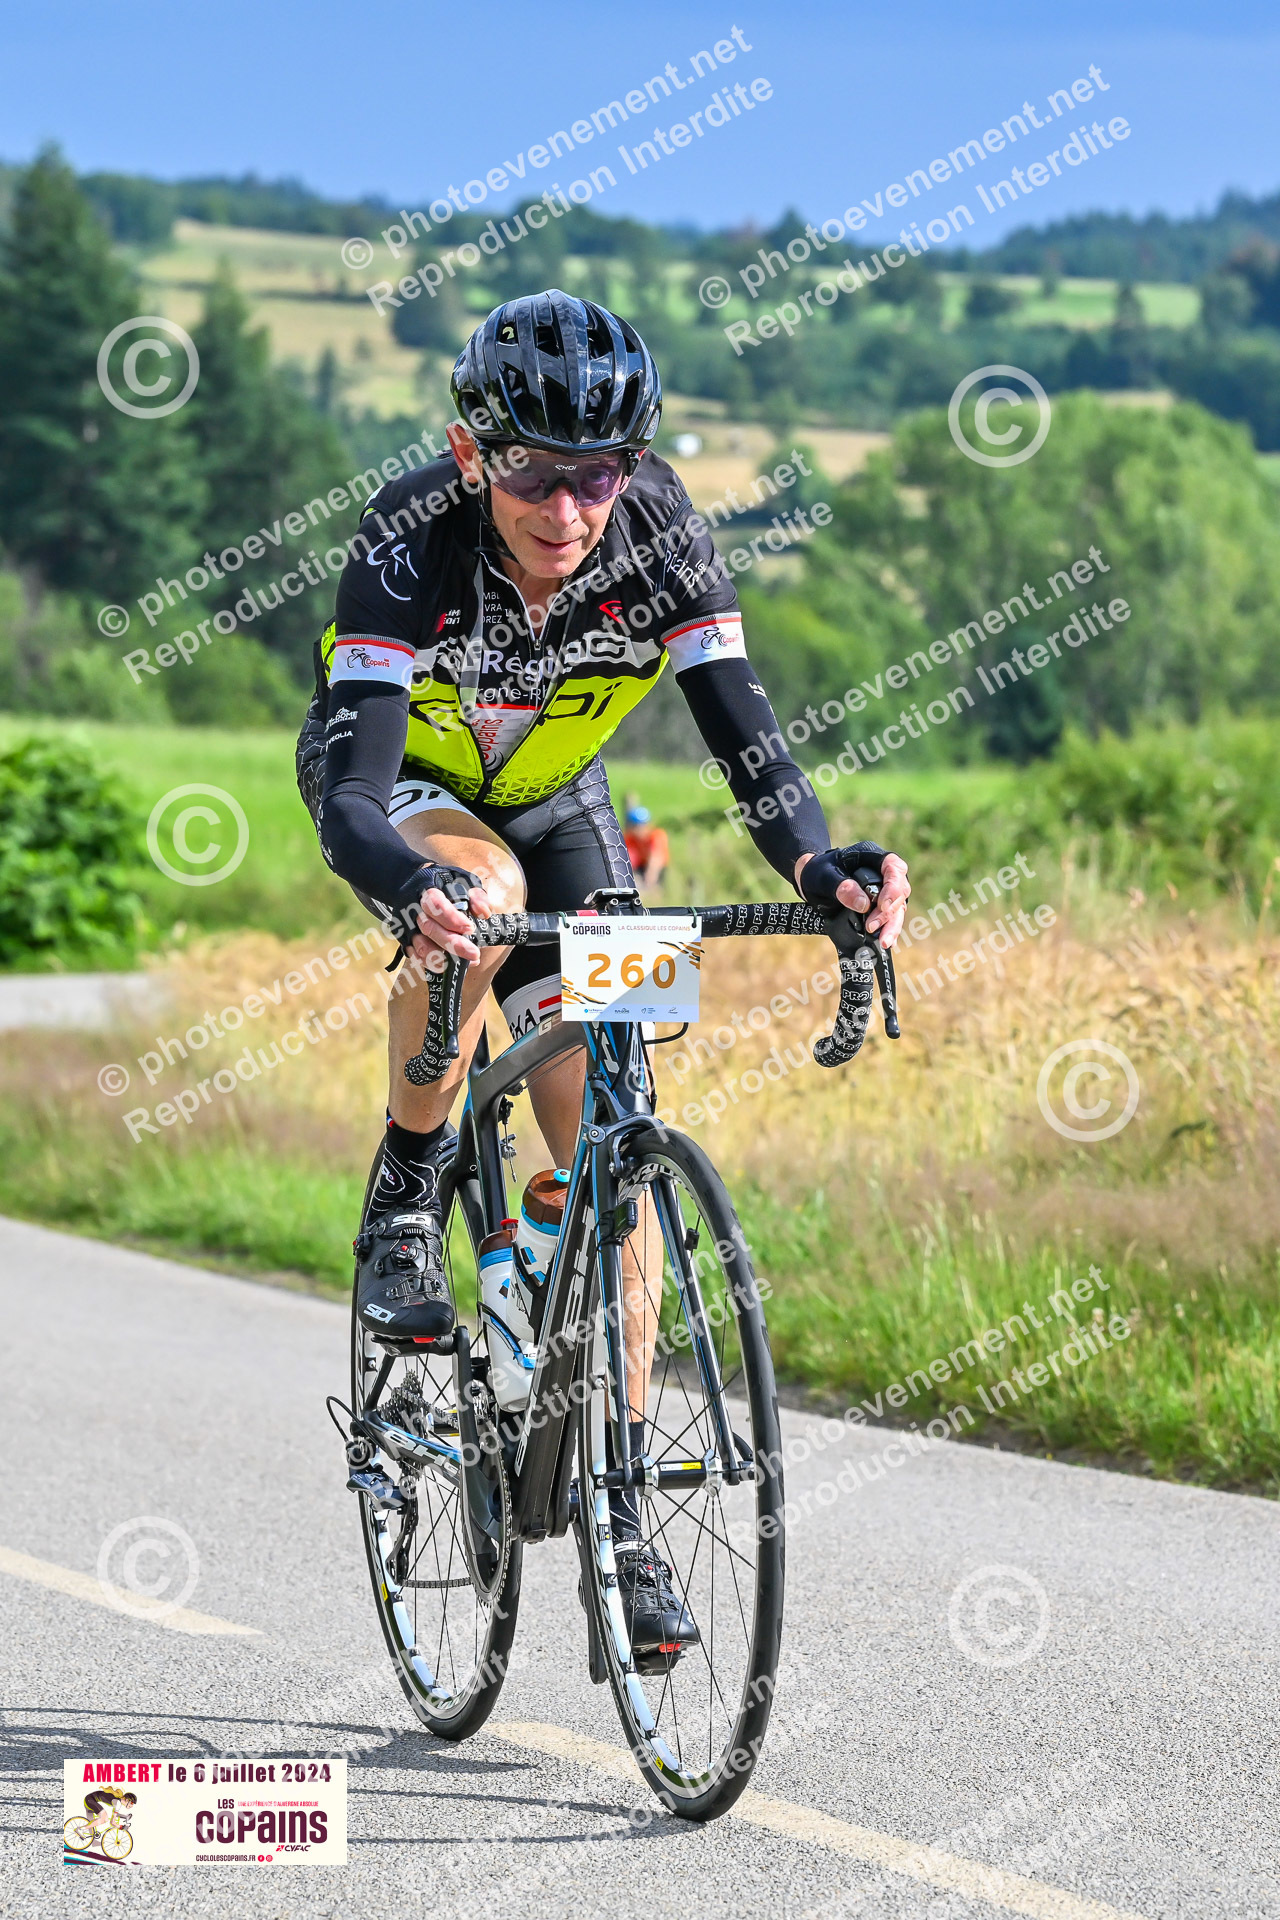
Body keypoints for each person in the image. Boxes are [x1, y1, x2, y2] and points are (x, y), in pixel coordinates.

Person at [296, 289, 909, 1649]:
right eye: (531, 472)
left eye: (597, 474)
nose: (566, 509)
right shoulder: (408, 536)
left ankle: (620, 1518)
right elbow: (351, 796)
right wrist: (415, 887)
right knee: (486, 897)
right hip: (405, 799)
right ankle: (406, 1190)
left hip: (566, 804)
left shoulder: (663, 531)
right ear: (471, 454)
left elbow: (747, 744)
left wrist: (817, 865)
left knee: (615, 1141)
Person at [623, 803, 668, 891]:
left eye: (641, 826)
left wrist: (649, 882)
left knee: (655, 888)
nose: (638, 830)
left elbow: (655, 860)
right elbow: (628, 858)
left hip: (659, 868)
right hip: (641, 866)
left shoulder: (657, 835)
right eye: (634, 827)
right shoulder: (630, 838)